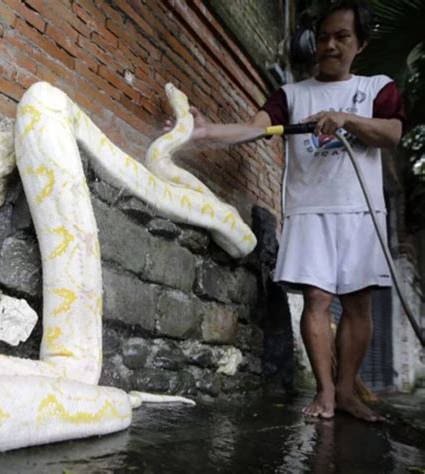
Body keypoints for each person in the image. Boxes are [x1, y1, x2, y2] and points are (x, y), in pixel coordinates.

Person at [169, 0, 405, 421]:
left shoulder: (377, 89)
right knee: (317, 298)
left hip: (360, 211)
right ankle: (327, 394)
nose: (330, 45)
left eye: (343, 37)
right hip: (309, 209)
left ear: (361, 44)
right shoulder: (291, 95)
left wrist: (345, 118)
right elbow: (255, 128)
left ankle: (348, 391)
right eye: (325, 36)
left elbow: (391, 133)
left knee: (358, 305)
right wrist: (205, 132)